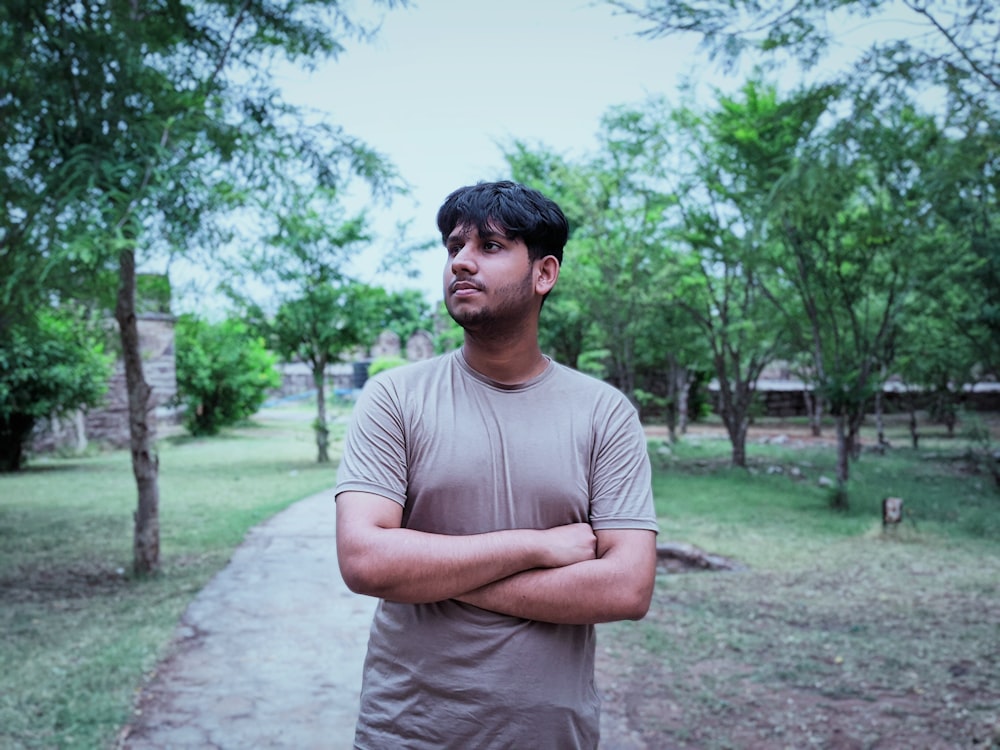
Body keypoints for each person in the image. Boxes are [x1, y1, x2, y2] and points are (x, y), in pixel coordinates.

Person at [334, 180, 659, 749]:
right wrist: (533, 548)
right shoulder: (394, 398)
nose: (460, 261)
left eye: (489, 246)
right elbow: (365, 560)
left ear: (544, 274)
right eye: (454, 246)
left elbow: (627, 588)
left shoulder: (603, 413)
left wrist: (435, 576)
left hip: (550, 734)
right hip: (408, 732)